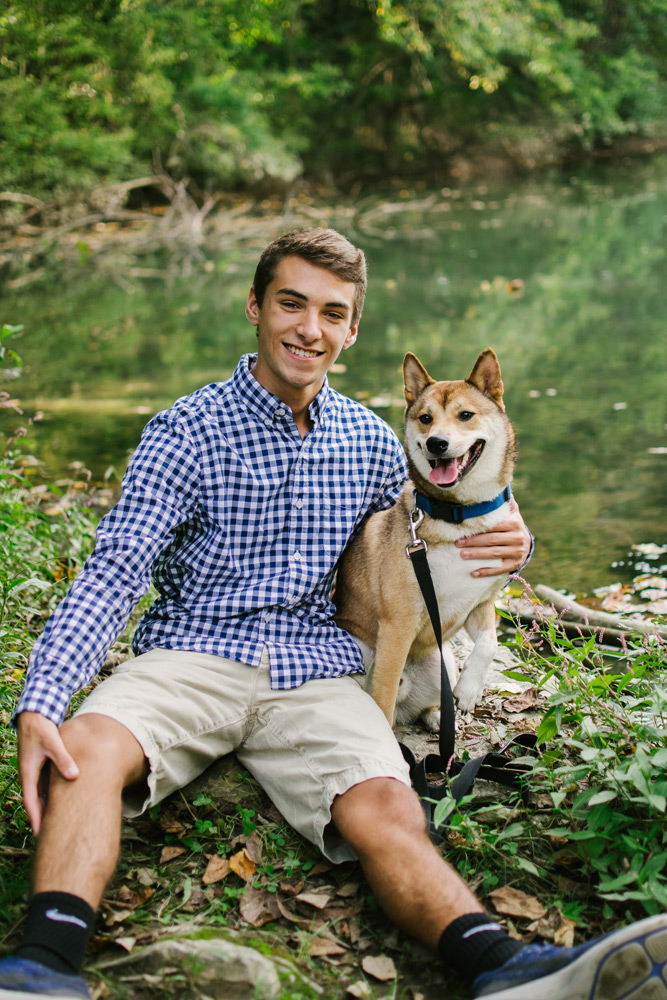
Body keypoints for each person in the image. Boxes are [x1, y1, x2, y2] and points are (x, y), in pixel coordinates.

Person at [1, 228, 664, 1000]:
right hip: (192, 654)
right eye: (291, 303)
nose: (309, 328)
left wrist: (516, 538)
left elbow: (447, 516)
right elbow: (115, 570)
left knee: (385, 801)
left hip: (318, 669)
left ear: (350, 332)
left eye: (332, 313)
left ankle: (502, 969)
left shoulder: (372, 443)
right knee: (83, 748)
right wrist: (43, 697)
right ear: (255, 307)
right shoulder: (185, 430)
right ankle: (43, 966)